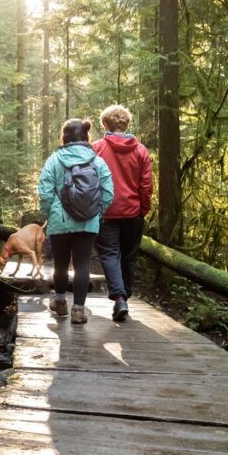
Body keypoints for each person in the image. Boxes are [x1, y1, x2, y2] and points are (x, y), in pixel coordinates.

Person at [38, 119, 114, 324]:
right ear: (85, 137)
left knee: (60, 264)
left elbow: (45, 192)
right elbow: (108, 192)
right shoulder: (97, 161)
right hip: (88, 222)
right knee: (82, 265)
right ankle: (78, 311)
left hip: (59, 221)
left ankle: (60, 302)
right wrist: (97, 214)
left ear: (64, 137)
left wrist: (47, 215)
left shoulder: (54, 160)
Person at [93, 105, 153, 322]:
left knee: (109, 254)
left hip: (106, 212)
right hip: (133, 212)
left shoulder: (97, 148)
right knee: (128, 256)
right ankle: (124, 295)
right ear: (125, 124)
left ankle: (120, 298)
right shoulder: (141, 151)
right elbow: (146, 185)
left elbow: (90, 181)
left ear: (105, 125)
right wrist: (143, 209)